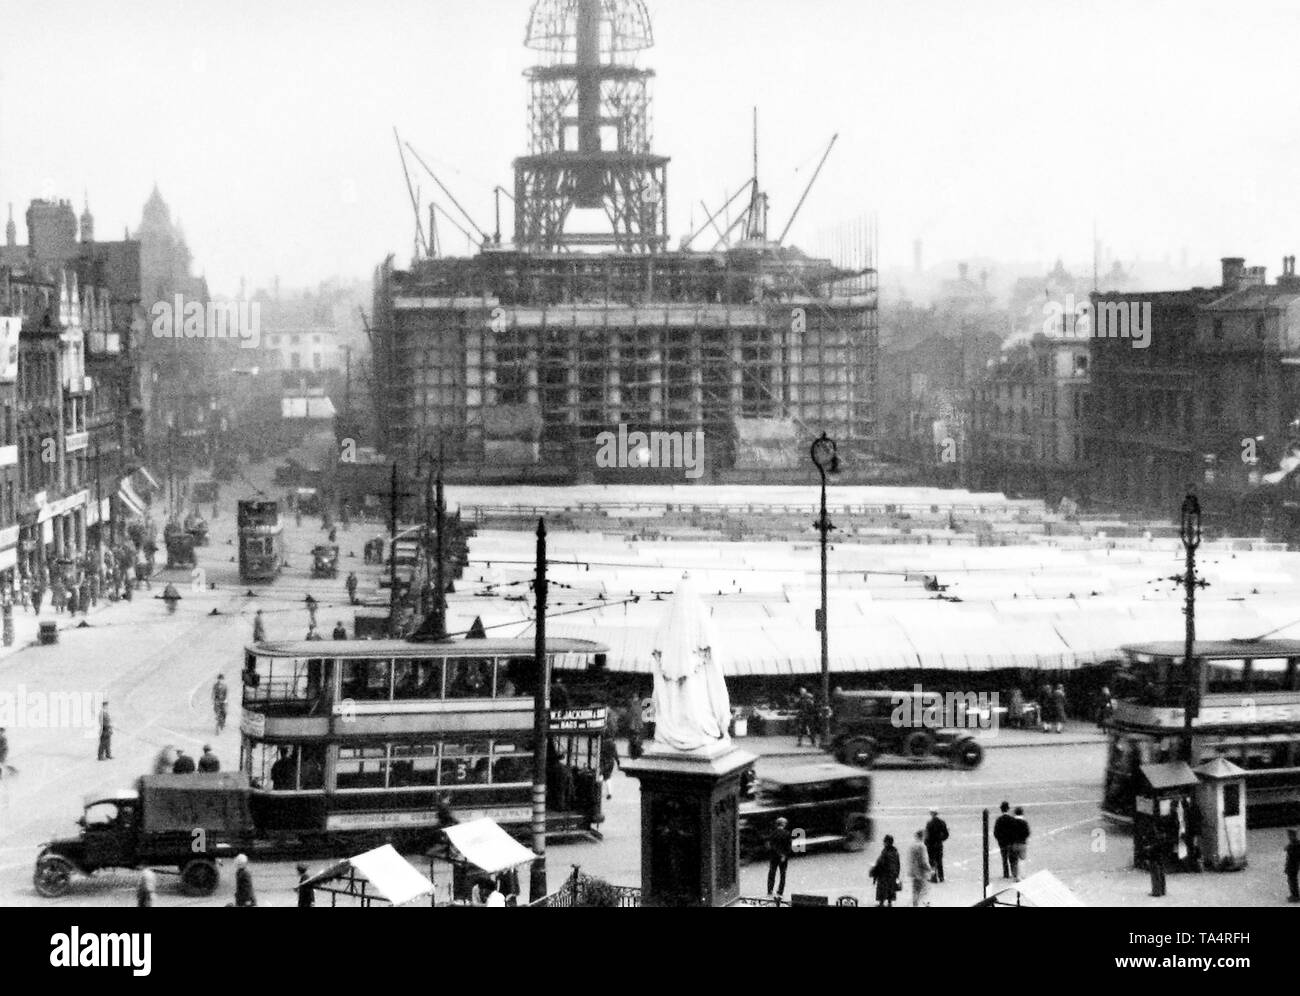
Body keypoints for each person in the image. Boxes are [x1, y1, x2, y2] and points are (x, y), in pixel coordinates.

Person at [870, 835, 901, 907]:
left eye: (884, 841)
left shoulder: (885, 852)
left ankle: (881, 903)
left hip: (884, 874)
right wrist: (897, 874)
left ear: (886, 842)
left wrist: (875, 871)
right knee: (891, 888)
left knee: (882, 889)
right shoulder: (895, 852)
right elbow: (898, 864)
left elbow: (880, 863)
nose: (883, 843)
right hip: (893, 874)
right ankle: (890, 902)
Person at [766, 817, 793, 899]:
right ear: (784, 824)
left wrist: (777, 853)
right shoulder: (787, 833)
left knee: (772, 873)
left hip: (774, 856)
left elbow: (770, 845)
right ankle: (780, 891)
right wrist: (783, 855)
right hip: (783, 857)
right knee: (782, 874)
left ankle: (770, 890)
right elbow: (788, 847)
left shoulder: (772, 833)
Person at [908, 830, 932, 907]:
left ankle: (915, 905)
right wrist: (930, 869)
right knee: (924, 890)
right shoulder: (922, 846)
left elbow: (910, 860)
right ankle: (925, 904)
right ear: (922, 836)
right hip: (922, 873)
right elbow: (924, 861)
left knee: (915, 891)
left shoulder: (912, 846)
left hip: (914, 873)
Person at [924, 809, 949, 883]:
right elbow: (946, 834)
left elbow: (927, 835)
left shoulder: (929, 823)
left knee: (932, 862)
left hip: (931, 845)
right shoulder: (942, 823)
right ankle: (941, 877)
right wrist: (941, 839)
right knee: (939, 861)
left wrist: (926, 843)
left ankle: (934, 877)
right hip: (939, 844)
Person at [993, 801, 1016, 879]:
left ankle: (1006, 874)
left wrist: (999, 840)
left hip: (1002, 843)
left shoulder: (999, 820)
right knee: (1012, 859)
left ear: (1001, 809)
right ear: (1008, 809)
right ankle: (1014, 873)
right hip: (1011, 842)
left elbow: (995, 832)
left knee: (1004, 859)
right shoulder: (1012, 819)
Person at [1010, 806, 1031, 881]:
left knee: (1014, 860)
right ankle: (1022, 876)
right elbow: (1027, 833)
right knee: (1022, 860)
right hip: (1022, 843)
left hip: (1014, 844)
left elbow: (1009, 833)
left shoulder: (1012, 822)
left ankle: (1015, 876)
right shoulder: (1024, 822)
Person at [599, 730, 620, 800]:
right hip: (611, 762)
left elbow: (600, 752)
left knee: (600, 774)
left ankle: (599, 790)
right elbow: (615, 754)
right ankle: (609, 793)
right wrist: (618, 761)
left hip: (603, 761)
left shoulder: (602, 742)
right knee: (608, 777)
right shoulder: (613, 744)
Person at [1285, 829, 1300, 903]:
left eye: (1290, 835)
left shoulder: (1295, 845)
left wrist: (1289, 848)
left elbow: (1294, 856)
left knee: (1293, 881)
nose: (1289, 837)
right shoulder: (1293, 844)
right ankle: (1294, 895)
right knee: (1291, 881)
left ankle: (1295, 896)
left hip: (1293, 866)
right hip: (1291, 865)